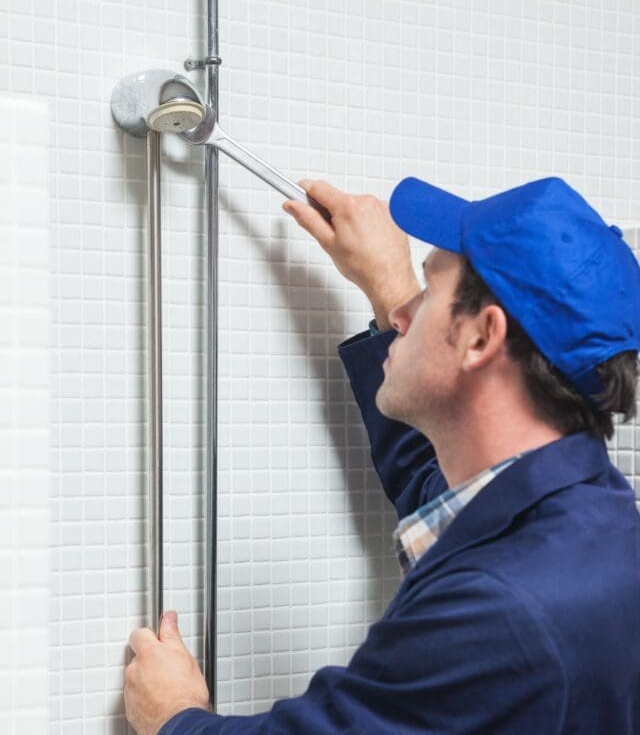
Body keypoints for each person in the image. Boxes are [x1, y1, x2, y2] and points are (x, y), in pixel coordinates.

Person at [124, 175, 640, 735]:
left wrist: (173, 718)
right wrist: (386, 282)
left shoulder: (500, 610)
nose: (401, 315)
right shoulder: (587, 519)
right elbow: (437, 490)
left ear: (481, 338)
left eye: (428, 288)